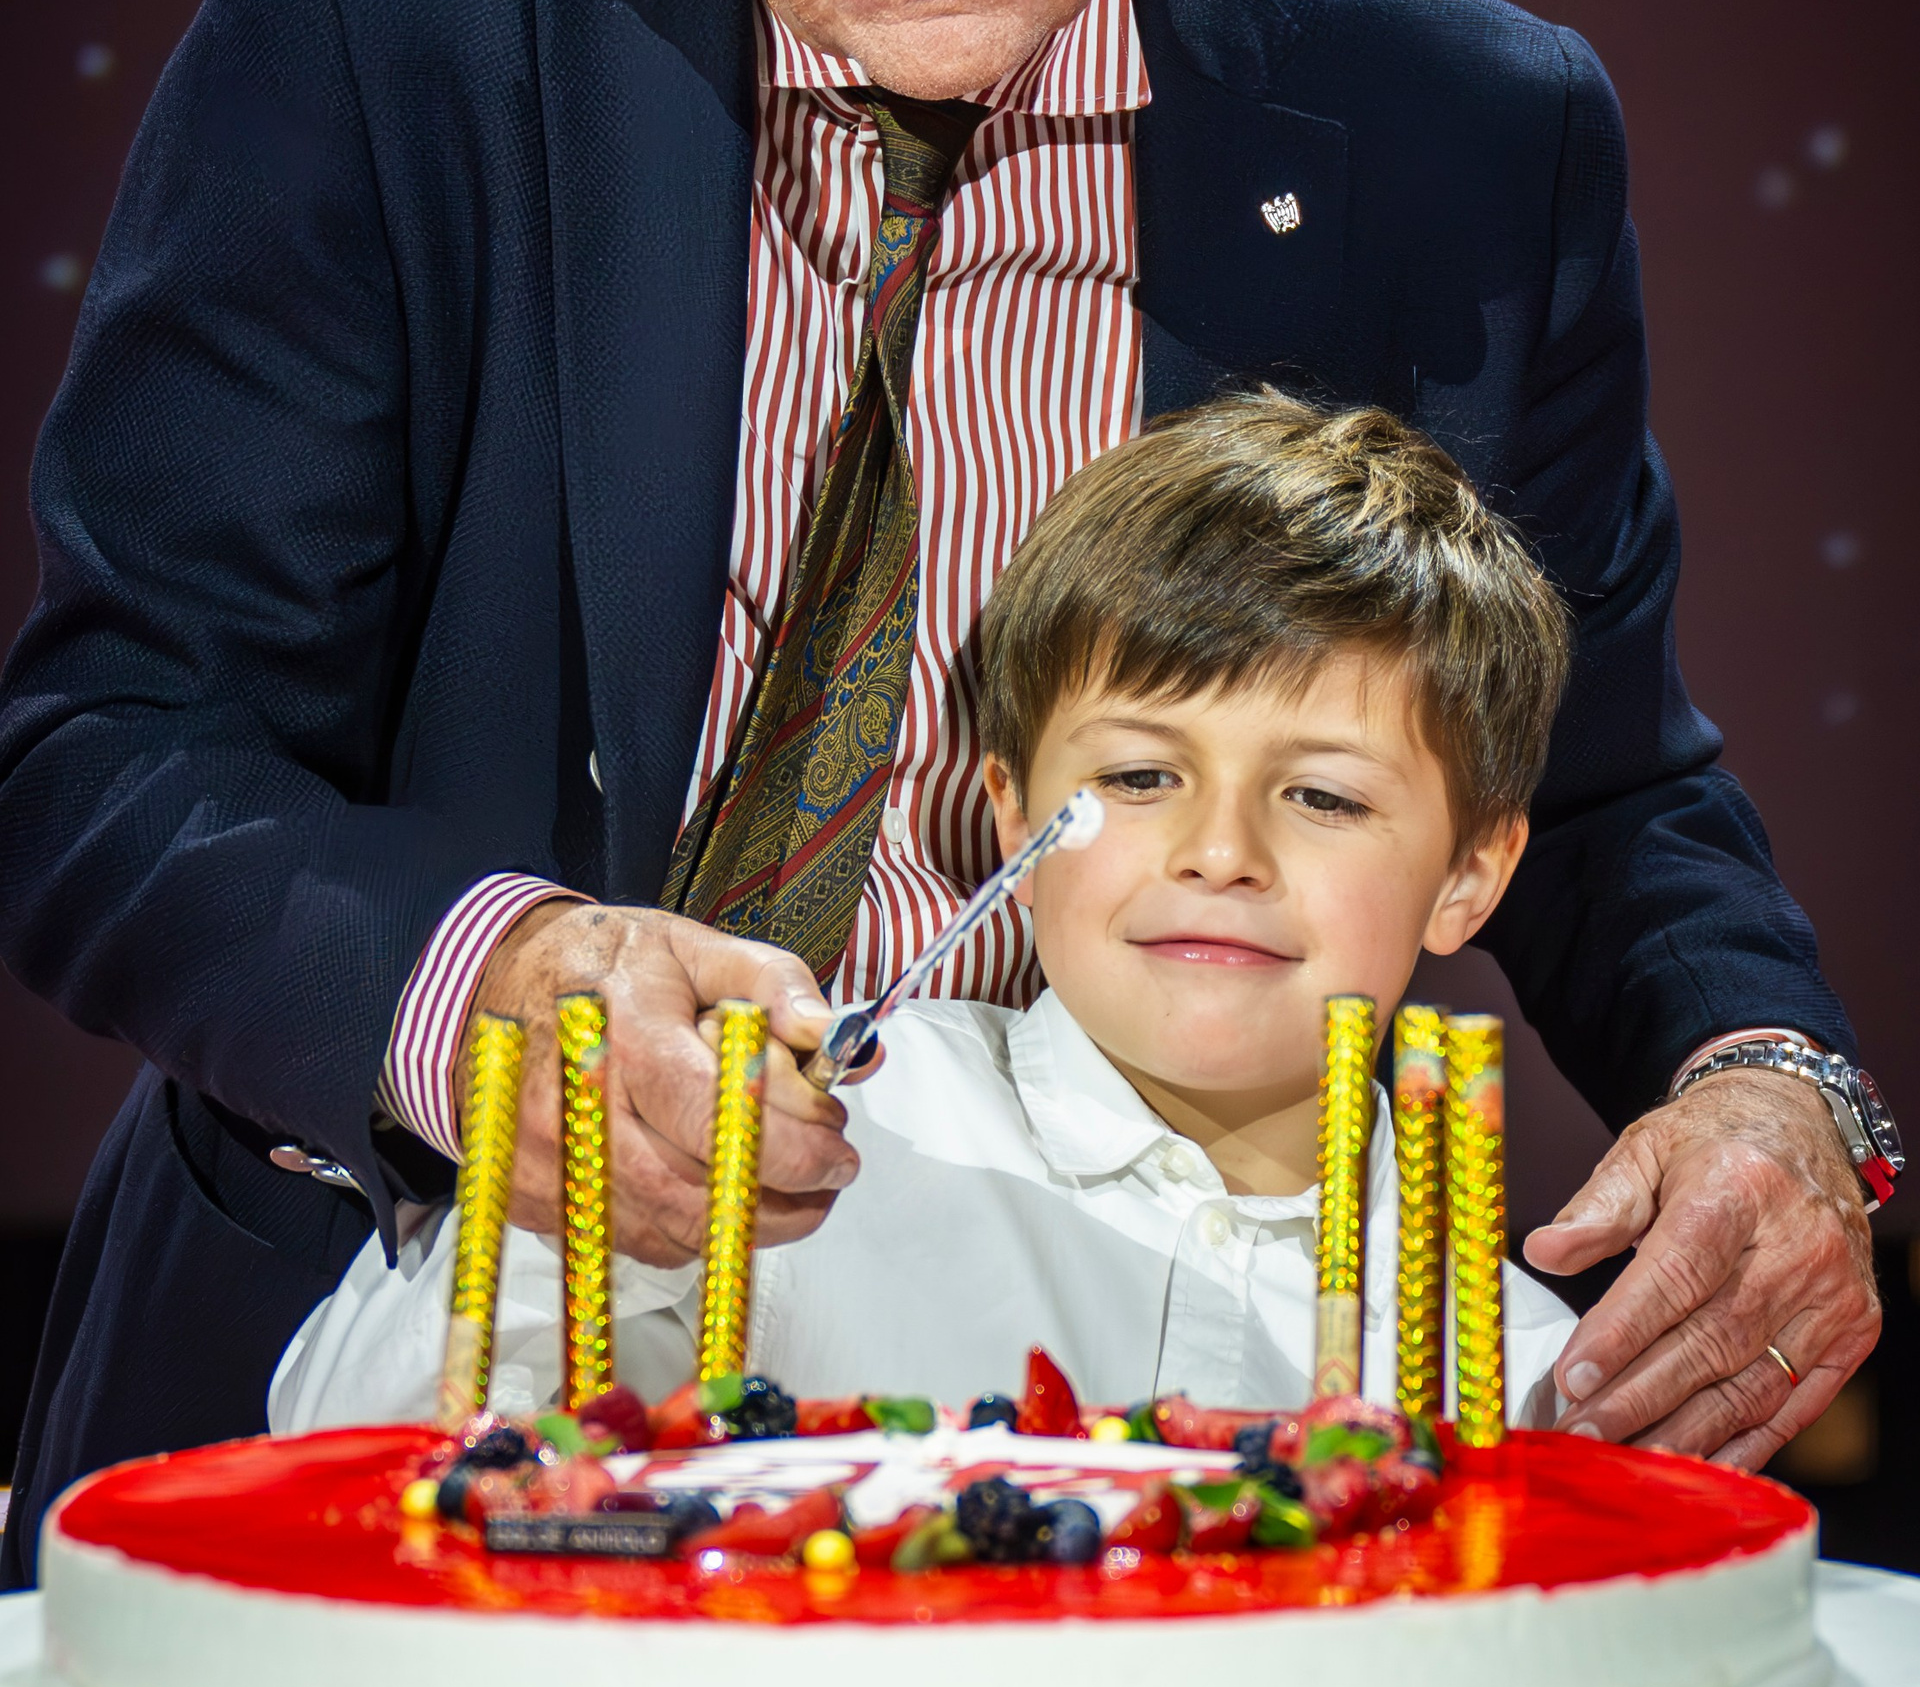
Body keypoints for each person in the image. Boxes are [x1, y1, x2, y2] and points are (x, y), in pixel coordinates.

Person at [0, 0, 1887, 1582]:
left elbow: (1595, 782)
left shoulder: (1453, 126)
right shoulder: (383, 19)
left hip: (1154, 1410)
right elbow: (109, 758)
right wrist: (490, 985)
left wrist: (1773, 1084)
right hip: (423, 1361)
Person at [271, 398, 1577, 1430]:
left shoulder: (1528, 1372)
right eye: (1139, 778)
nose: (1221, 854)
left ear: (1471, 871)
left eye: (1324, 797)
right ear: (1011, 812)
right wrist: (601, 1195)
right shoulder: (812, 1149)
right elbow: (372, 1437)